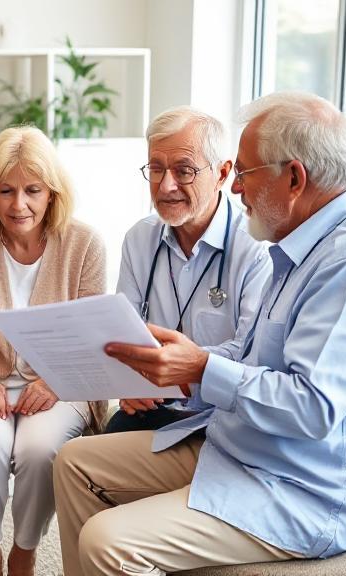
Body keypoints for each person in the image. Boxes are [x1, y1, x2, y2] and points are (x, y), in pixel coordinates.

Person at [54, 91, 346, 575]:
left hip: (299, 492)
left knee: (108, 542)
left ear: (294, 178)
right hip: (244, 447)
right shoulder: (298, 248)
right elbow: (250, 352)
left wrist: (200, 367)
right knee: (74, 463)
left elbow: (312, 408)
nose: (236, 189)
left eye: (245, 174)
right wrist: (186, 367)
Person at [0, 126, 106, 576]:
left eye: (33, 190)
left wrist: (56, 380)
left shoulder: (85, 244)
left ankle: (25, 551)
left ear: (52, 193)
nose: (18, 205)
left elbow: (92, 337)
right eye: (5, 191)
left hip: (59, 381)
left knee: (40, 450)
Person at [104, 106, 270, 437]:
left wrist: (177, 367)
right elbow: (123, 334)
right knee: (79, 458)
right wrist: (130, 380)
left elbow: (251, 354)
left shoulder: (256, 248)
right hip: (151, 408)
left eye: (184, 171)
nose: (165, 186)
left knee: (79, 465)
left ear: (222, 174)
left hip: (220, 418)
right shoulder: (140, 239)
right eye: (156, 168)